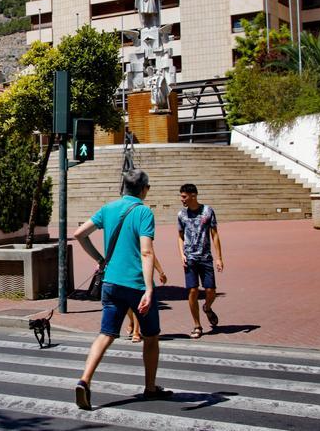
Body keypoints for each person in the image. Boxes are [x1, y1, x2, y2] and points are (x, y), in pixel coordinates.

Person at [73, 169, 172, 410]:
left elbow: (79, 234)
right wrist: (149, 289)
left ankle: (84, 380)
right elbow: (146, 251)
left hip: (111, 284)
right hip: (136, 284)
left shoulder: (108, 209)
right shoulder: (143, 212)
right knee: (150, 337)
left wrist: (100, 259)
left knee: (105, 334)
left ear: (123, 188)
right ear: (144, 189)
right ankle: (150, 388)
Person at [177, 183, 224, 340]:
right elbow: (180, 236)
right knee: (192, 291)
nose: (181, 199)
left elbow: (215, 234)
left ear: (193, 196)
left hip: (205, 257)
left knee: (211, 291)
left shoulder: (208, 211)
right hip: (190, 258)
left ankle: (207, 307)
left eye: (184, 196)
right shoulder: (181, 215)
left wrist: (219, 258)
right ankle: (197, 325)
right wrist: (181, 254)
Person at [126, 258, 167, 343]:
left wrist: (161, 272)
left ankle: (136, 332)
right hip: (123, 272)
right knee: (126, 305)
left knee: (137, 302)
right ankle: (132, 321)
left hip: (139, 273)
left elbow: (150, 254)